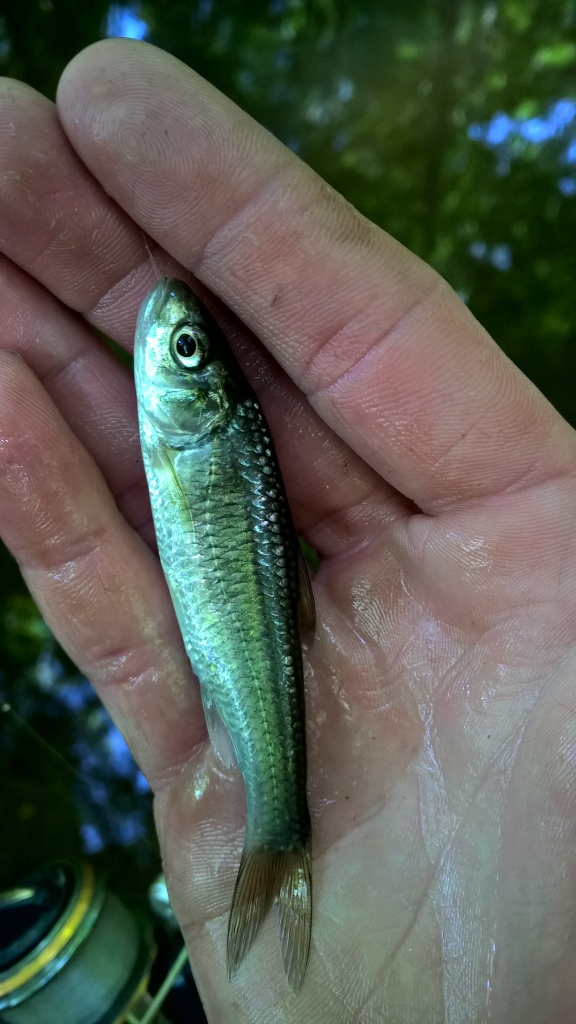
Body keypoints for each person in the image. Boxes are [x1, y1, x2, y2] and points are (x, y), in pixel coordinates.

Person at [0, 37, 574, 1024]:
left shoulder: (205, 431)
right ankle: (282, 841)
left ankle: (282, 835)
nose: (167, 339)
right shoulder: (202, 430)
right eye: (192, 348)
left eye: (183, 349)